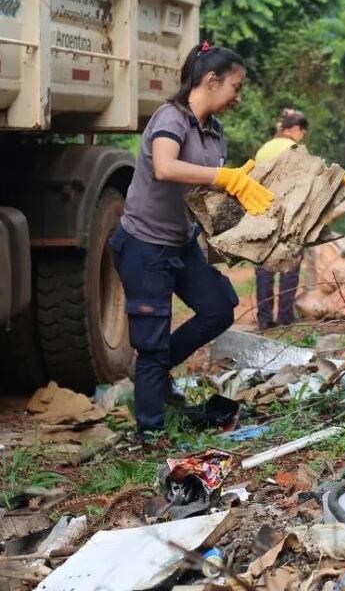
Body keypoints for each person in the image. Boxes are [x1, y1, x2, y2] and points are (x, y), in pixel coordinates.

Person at [109, 41, 273, 444]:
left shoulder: (214, 133)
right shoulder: (172, 118)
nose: (238, 97)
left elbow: (206, 193)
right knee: (151, 337)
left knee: (219, 307)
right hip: (144, 245)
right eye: (235, 87)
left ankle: (155, 368)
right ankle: (149, 431)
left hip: (182, 242)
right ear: (211, 80)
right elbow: (165, 167)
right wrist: (226, 177)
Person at [254, 109, 309, 330]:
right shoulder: (295, 148)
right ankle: (285, 316)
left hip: (263, 211)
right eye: (302, 133)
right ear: (296, 129)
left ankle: (265, 318)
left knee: (264, 267)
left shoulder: (263, 149)